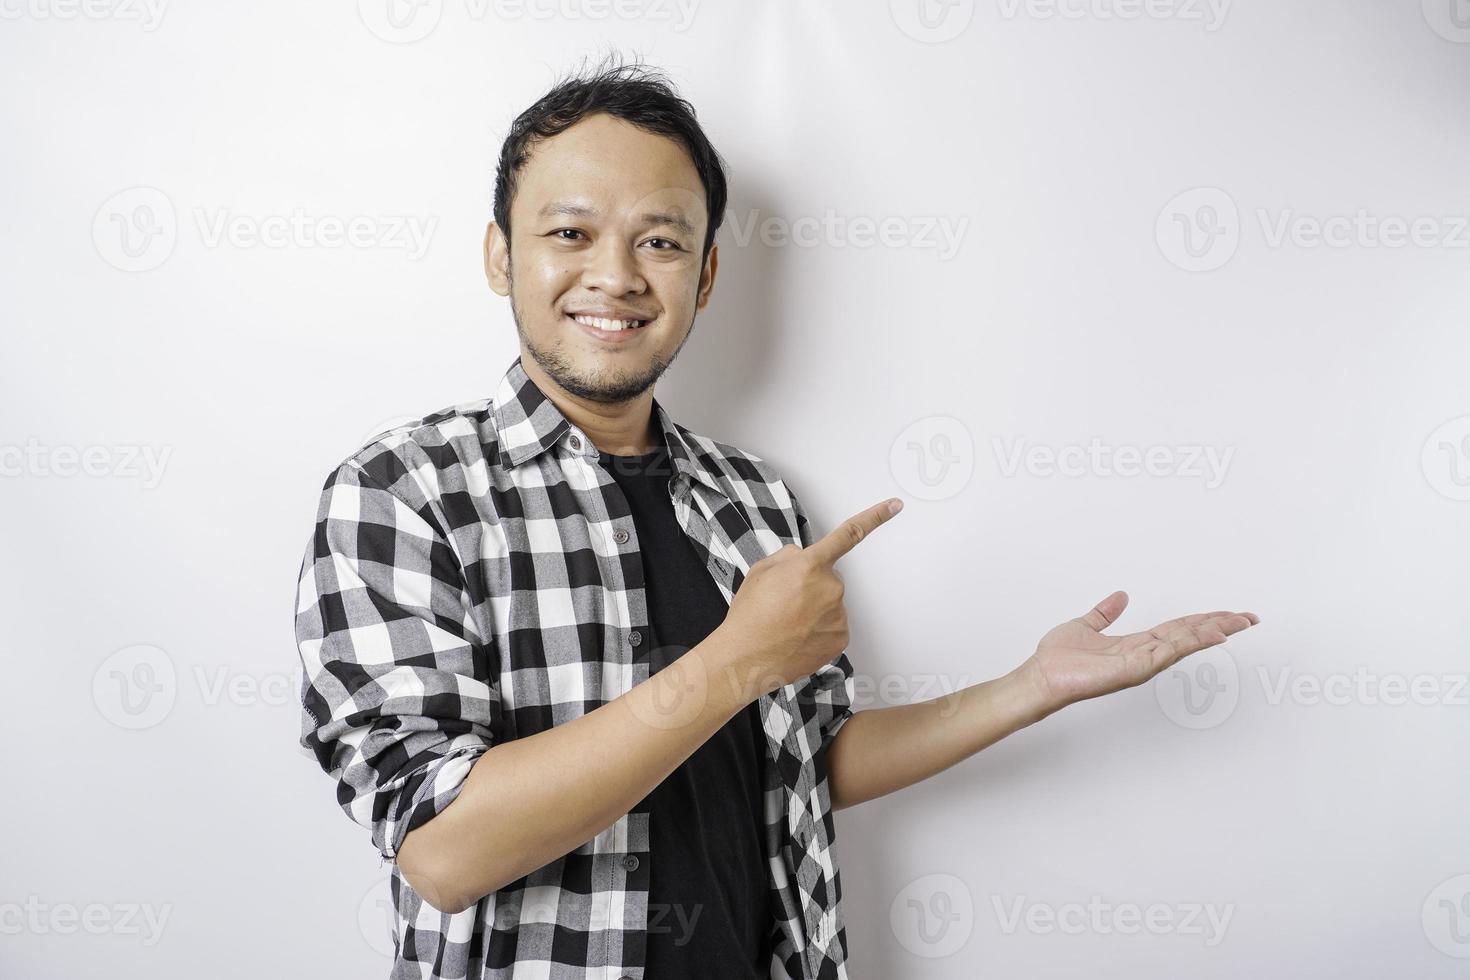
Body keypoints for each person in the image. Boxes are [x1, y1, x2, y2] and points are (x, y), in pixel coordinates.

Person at [293, 53, 1260, 980]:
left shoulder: (753, 500)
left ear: (705, 278)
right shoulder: (403, 491)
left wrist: (1029, 688)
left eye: (661, 240)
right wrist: (737, 659)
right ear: (501, 256)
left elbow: (804, 760)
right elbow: (443, 852)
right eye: (571, 233)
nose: (619, 275)